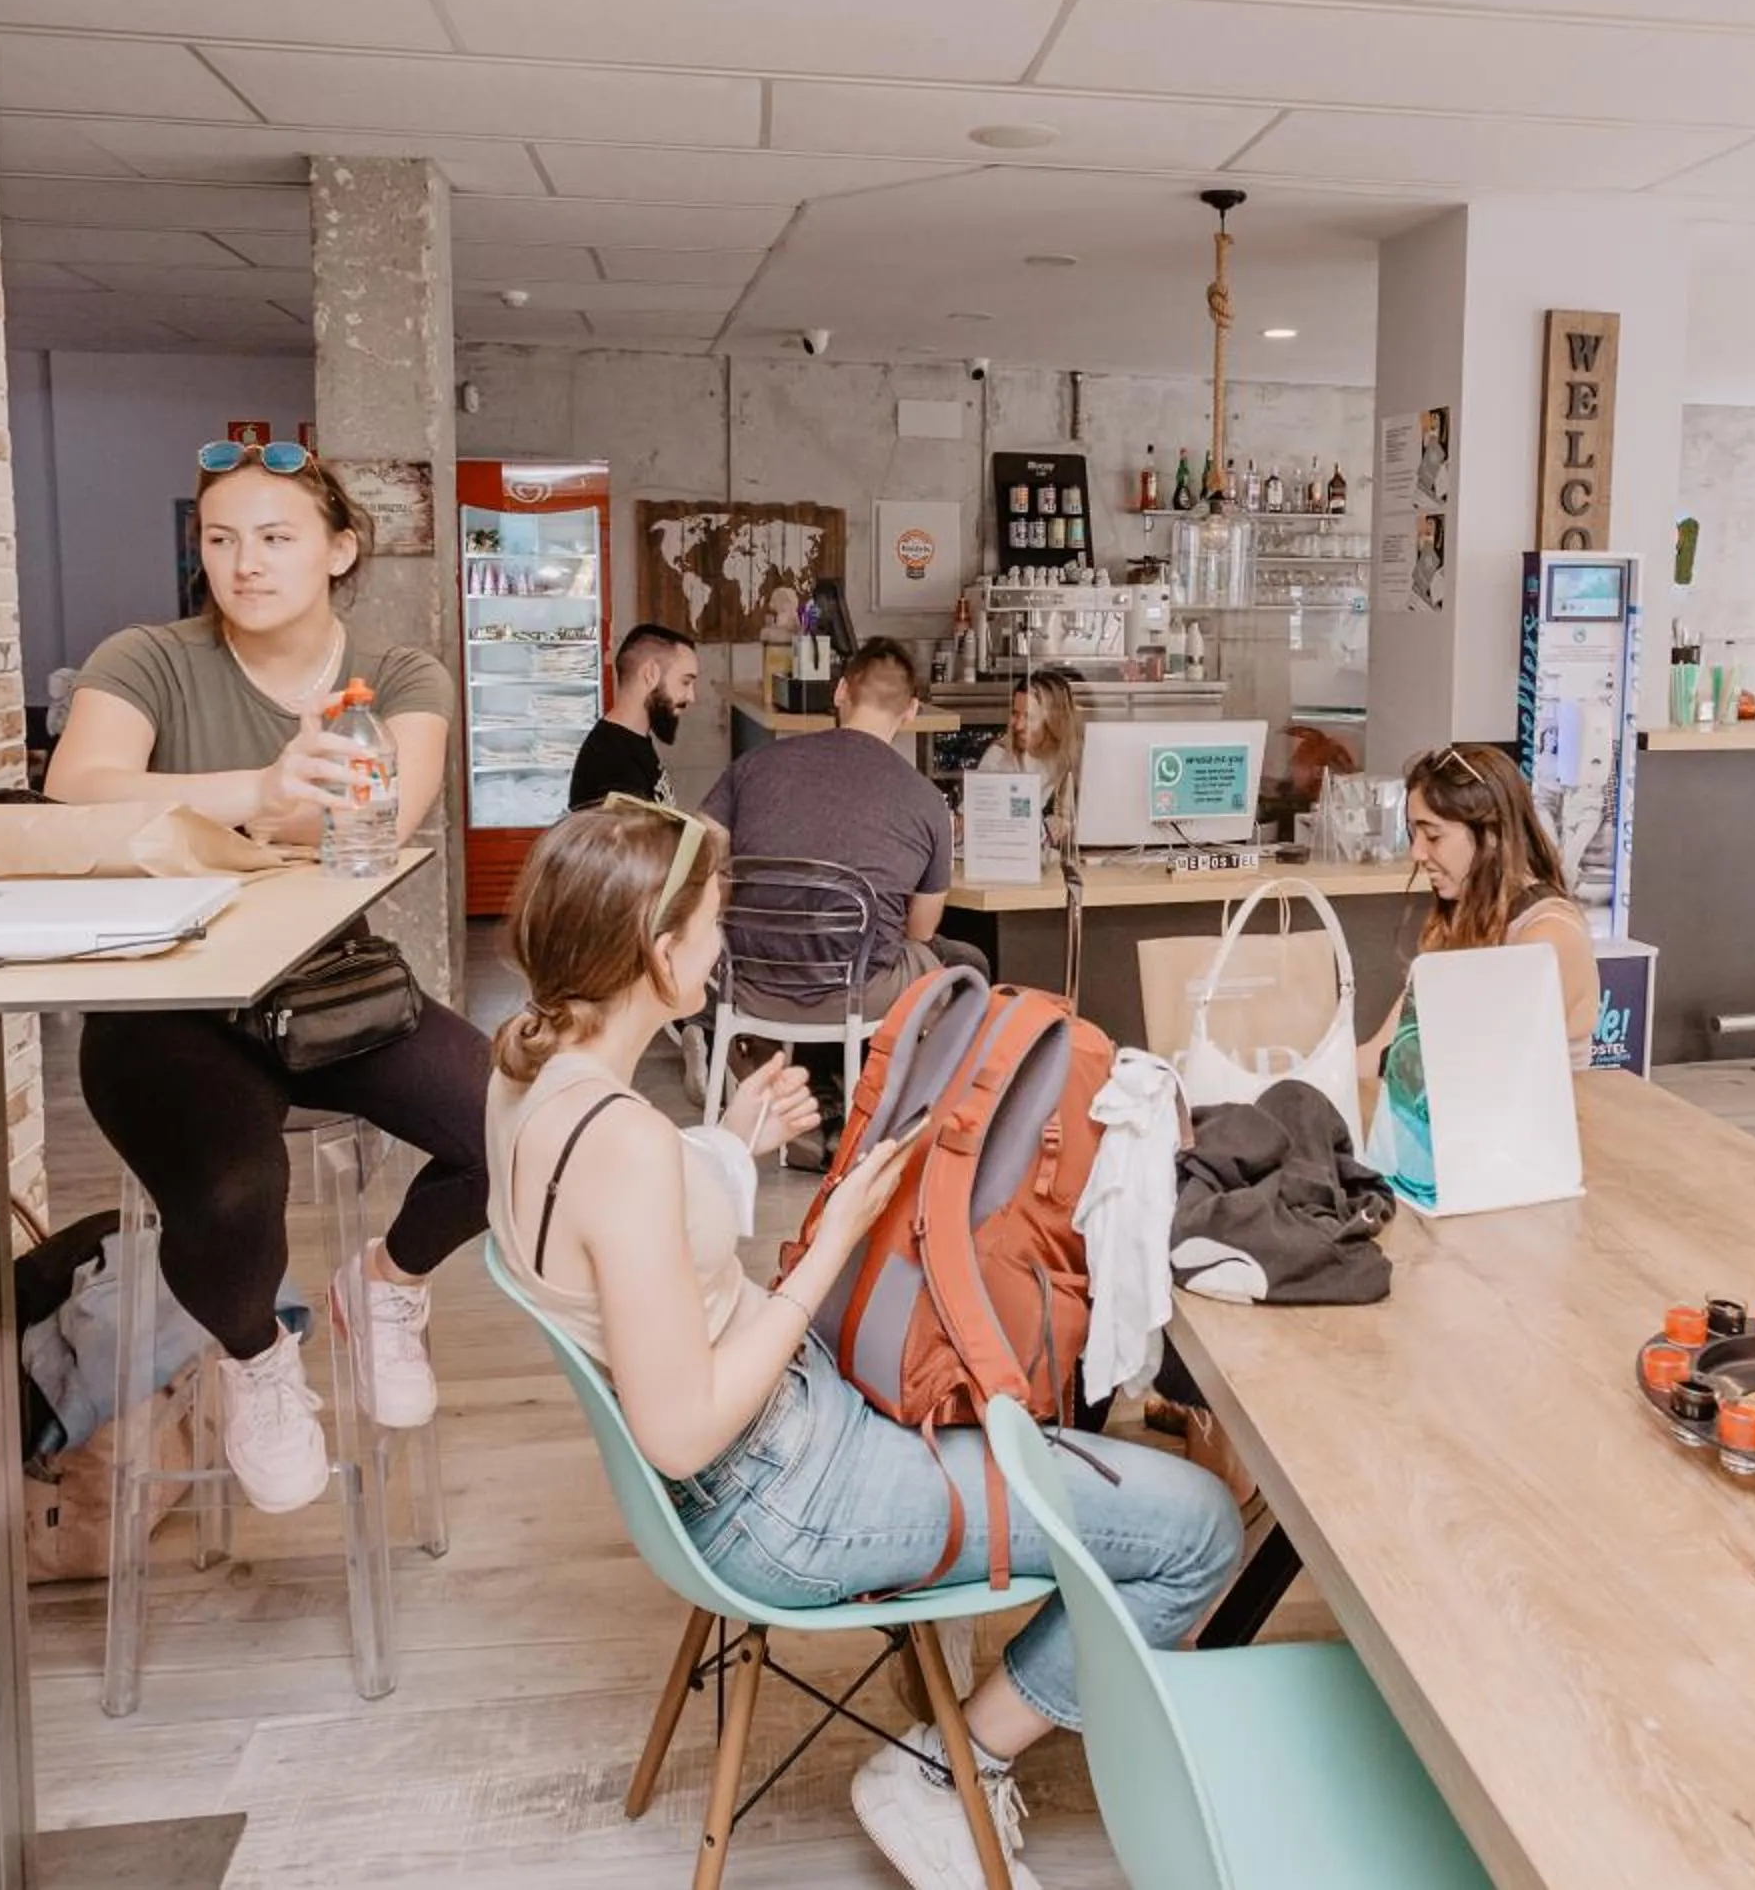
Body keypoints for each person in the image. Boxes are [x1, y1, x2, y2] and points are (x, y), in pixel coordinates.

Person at [488, 801, 1240, 1890]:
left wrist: (726, 1146)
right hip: (780, 1495)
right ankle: (948, 1766)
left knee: (1000, 1395)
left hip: (779, 1451)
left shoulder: (524, 1078)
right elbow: (682, 1430)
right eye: (713, 920)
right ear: (659, 952)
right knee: (1199, 1527)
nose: (724, 941)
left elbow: (618, 1245)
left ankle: (951, 1660)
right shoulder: (629, 1148)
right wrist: (832, 1242)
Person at [45, 440, 482, 1513]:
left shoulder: (401, 672)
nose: (244, 563)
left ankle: (383, 1286)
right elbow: (75, 794)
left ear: (339, 549)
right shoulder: (146, 657)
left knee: (526, 1127)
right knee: (235, 1193)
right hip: (166, 999)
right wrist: (261, 789)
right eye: (221, 539)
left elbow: (386, 815)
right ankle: (256, 1357)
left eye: (276, 537)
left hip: (327, 985)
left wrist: (188, 808)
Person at [702, 636, 987, 1012]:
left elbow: (703, 847)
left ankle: (741, 1039)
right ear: (911, 710)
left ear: (839, 692)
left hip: (748, 986)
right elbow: (920, 931)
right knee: (968, 963)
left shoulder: (754, 765)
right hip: (860, 998)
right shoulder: (928, 800)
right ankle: (895, 1052)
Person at [1357, 740, 1602, 1077]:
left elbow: (1489, 1070)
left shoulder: (1548, 936)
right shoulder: (1461, 920)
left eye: (1433, 836)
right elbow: (1381, 1050)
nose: (1417, 853)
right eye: (1414, 835)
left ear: (1491, 834)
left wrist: (1394, 1063)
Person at [570, 622, 698, 810]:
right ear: (650, 674)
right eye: (685, 682)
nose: (691, 697)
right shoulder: (610, 763)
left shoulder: (634, 742)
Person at [972, 666, 1083, 855]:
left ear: (1053, 722)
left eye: (1029, 717)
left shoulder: (1065, 758)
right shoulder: (998, 759)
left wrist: (1064, 824)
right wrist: (1046, 831)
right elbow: (990, 831)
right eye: (1015, 714)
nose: (1018, 725)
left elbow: (1072, 818)